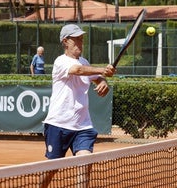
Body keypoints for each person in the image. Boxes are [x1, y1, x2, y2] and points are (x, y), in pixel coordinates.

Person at [41, 24, 116, 187]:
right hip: (58, 124)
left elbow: (94, 76)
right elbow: (78, 70)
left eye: (82, 39)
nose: (81, 43)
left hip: (83, 126)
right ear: (65, 41)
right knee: (51, 168)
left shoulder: (84, 61)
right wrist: (103, 70)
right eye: (77, 40)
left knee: (85, 161)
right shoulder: (60, 61)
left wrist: (103, 81)